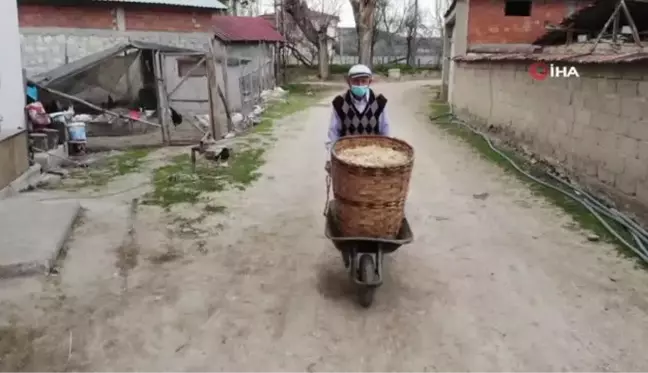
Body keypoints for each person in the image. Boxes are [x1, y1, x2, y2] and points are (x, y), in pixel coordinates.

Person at [325, 64, 390, 173]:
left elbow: (385, 130)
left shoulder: (379, 102)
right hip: (347, 159)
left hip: (373, 158)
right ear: (348, 82)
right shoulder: (340, 103)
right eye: (355, 81)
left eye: (363, 81)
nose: (359, 85)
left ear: (370, 82)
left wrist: (385, 157)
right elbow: (333, 133)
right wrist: (331, 158)